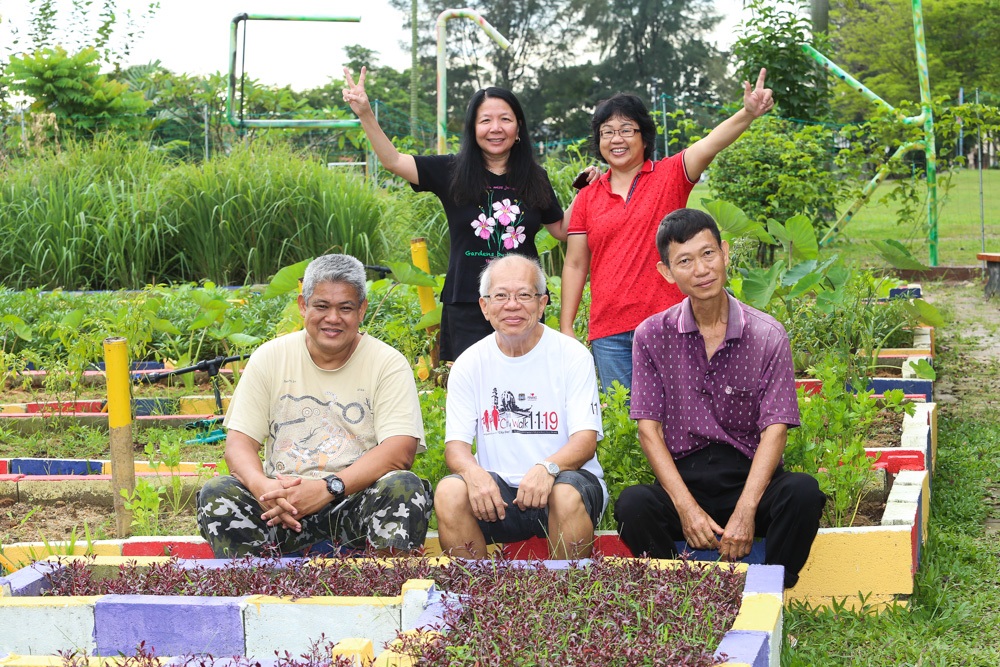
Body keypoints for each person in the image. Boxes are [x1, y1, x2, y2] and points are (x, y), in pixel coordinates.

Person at [613, 209, 825, 588]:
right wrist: (685, 507)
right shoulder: (652, 335)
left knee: (802, 493)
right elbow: (649, 430)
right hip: (686, 478)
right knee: (633, 506)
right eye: (685, 261)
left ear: (725, 253)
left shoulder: (767, 335)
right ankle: (678, 591)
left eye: (708, 254)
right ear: (666, 272)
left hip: (750, 478)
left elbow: (776, 430)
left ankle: (769, 589)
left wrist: (746, 510)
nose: (701, 269)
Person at [343, 68, 591, 362]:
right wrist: (366, 113)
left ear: (518, 128)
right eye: (485, 120)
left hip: (523, 301)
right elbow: (394, 161)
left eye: (505, 119)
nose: (495, 128)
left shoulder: (535, 177)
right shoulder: (451, 170)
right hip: (467, 300)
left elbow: (561, 229)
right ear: (473, 129)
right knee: (472, 388)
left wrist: (586, 193)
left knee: (525, 382)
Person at [197, 254, 432, 558]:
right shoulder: (270, 357)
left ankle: (381, 590)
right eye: (321, 306)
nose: (332, 318)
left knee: (403, 487)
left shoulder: (387, 363)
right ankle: (258, 590)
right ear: (303, 305)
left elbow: (400, 450)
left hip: (353, 500)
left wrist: (327, 488)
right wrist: (261, 488)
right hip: (280, 507)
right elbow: (238, 444)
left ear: (361, 310)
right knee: (218, 493)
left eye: (345, 308)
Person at [560, 69, 776, 392]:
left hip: (669, 325)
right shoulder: (588, 196)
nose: (616, 139)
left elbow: (710, 144)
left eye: (626, 130)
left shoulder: (669, 175)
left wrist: (747, 113)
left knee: (678, 417)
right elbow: (575, 263)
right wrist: (566, 327)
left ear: (644, 137)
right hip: (609, 333)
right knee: (626, 427)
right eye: (607, 132)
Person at [434, 254, 606, 559]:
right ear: (484, 306)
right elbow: (456, 448)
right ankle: (475, 596)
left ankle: (569, 600)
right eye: (500, 296)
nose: (512, 305)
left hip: (566, 484)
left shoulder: (572, 356)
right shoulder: (469, 364)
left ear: (542, 304)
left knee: (565, 493)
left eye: (524, 295)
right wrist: (474, 474)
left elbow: (585, 442)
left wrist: (547, 467)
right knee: (450, 492)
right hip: (499, 497)